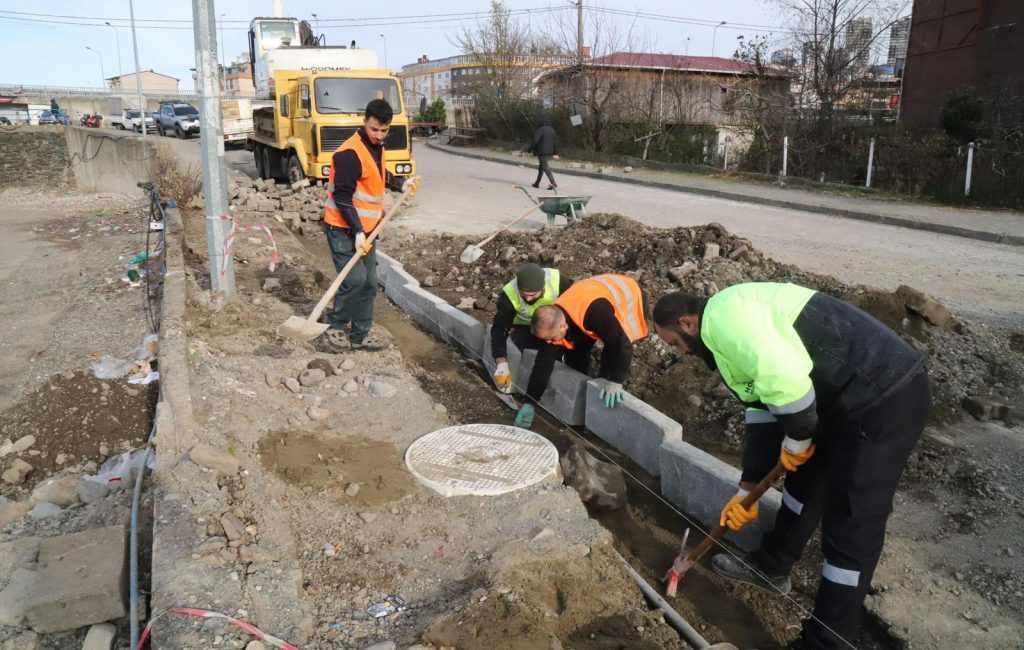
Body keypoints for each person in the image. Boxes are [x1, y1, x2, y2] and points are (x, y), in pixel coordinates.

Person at [652, 282, 929, 650]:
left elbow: (787, 386)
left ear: (687, 324)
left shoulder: (725, 320)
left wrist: (797, 440)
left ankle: (825, 643)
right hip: (833, 399)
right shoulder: (723, 337)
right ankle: (771, 566)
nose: (682, 353)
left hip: (882, 395)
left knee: (850, 526)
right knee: (803, 482)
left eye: (675, 344)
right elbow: (762, 407)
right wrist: (747, 488)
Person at [322, 99, 417, 351]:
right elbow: (342, 196)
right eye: (374, 129)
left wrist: (400, 183)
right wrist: (356, 232)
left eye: (384, 130)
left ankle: (360, 335)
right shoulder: (349, 153)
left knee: (370, 283)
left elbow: (376, 175)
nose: (379, 135)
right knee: (354, 280)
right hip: (342, 229)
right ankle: (334, 328)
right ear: (365, 122)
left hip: (368, 230)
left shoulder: (377, 147)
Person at [526, 274, 648, 425]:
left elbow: (620, 344)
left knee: (615, 348)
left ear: (563, 326)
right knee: (575, 352)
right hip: (592, 298)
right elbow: (543, 364)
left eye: (551, 338)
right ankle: (586, 387)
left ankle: (604, 397)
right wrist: (530, 401)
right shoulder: (553, 321)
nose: (549, 342)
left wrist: (615, 380)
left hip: (629, 297)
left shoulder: (597, 314)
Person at [490, 264, 573, 428]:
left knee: (551, 353)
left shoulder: (559, 283)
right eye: (524, 295)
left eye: (533, 295)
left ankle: (534, 396)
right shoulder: (510, 293)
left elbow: (571, 312)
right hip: (526, 327)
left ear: (542, 287)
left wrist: (530, 401)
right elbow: (499, 329)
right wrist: (501, 363)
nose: (528, 299)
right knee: (520, 342)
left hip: (553, 327)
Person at [529, 118, 559, 190]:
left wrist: (530, 149)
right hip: (549, 151)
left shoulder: (540, 130)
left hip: (542, 151)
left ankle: (553, 183)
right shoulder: (552, 130)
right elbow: (554, 142)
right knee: (541, 167)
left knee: (545, 167)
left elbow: (535, 141)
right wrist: (555, 152)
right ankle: (537, 183)